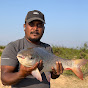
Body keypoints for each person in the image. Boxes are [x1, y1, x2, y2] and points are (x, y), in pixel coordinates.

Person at [1, 10, 63, 88]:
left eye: (39, 25)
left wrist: (56, 73)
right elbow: (4, 79)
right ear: (24, 26)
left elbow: (52, 75)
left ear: (43, 28)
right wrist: (22, 74)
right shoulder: (13, 47)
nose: (35, 28)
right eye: (31, 24)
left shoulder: (47, 48)